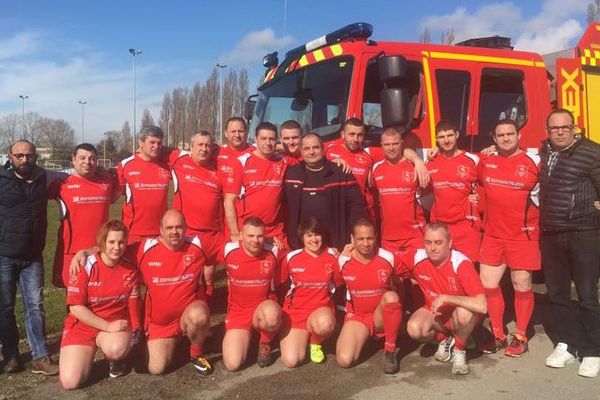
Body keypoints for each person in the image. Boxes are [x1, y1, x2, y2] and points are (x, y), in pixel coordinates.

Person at [72, 210, 212, 375]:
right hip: (160, 324)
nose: (174, 231)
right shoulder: (145, 248)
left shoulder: (198, 244)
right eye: (169, 228)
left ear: (186, 228)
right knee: (156, 368)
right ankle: (178, 340)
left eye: (179, 227)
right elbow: (115, 247)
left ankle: (196, 353)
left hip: (188, 313)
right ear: (160, 230)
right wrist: (86, 252)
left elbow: (232, 248)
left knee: (199, 314)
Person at [539, 109, 600, 378]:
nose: (560, 132)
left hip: (583, 232)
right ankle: (567, 343)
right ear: (547, 131)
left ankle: (592, 350)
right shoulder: (543, 152)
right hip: (551, 233)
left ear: (575, 128)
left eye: (565, 127)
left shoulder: (592, 152)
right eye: (555, 128)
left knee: (587, 295)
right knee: (558, 294)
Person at [477, 119, 540, 357]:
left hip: (522, 236)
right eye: (500, 135)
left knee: (521, 285)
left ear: (518, 136)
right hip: (493, 234)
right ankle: (498, 334)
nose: (505, 138)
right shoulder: (486, 161)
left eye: (510, 134)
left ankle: (521, 335)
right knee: (488, 284)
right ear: (494, 139)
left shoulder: (534, 162)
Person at [0, 140, 59, 375]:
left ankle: (40, 355)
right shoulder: (2, 180)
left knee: (35, 306)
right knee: (5, 307)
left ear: (36, 157)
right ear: (10, 156)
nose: (25, 160)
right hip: (4, 255)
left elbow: (73, 176)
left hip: (33, 256)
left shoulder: (44, 177)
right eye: (20, 155)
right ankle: (12, 356)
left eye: (30, 156)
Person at [59, 220, 139, 389]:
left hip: (115, 321)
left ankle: (115, 360)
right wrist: (107, 326)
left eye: (121, 242)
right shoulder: (84, 264)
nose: (117, 247)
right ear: (102, 242)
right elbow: (75, 308)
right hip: (83, 325)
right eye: (111, 242)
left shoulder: (130, 264)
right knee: (70, 382)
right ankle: (85, 355)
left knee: (116, 349)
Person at [403, 222, 487, 375]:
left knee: (464, 313)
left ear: (449, 243)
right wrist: (352, 251)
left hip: (461, 316)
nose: (433, 248)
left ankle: (460, 350)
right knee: (414, 328)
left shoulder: (461, 264)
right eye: (428, 242)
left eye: (438, 243)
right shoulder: (417, 257)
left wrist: (448, 298)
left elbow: (482, 305)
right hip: (435, 312)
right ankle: (445, 338)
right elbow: (386, 260)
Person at [336, 218, 403, 374]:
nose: (366, 243)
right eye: (360, 239)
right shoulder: (343, 260)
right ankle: (366, 338)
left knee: (391, 297)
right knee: (345, 360)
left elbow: (407, 278)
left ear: (376, 237)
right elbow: (330, 287)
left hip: (380, 317)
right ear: (352, 239)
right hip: (357, 317)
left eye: (370, 238)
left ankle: (390, 350)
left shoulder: (388, 257)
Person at [170, 130, 228, 301]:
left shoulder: (218, 167)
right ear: (191, 147)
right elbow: (156, 149)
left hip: (214, 233)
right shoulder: (179, 160)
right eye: (200, 145)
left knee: (221, 268)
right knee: (189, 275)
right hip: (188, 232)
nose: (204, 149)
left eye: (208, 145)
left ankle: (217, 299)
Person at [278, 217, 342, 367]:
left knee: (324, 324)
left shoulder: (332, 257)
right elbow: (281, 285)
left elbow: (339, 284)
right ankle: (299, 336)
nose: (314, 239)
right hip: (296, 313)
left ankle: (315, 341)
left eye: (317, 234)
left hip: (321, 312)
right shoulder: (291, 258)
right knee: (291, 361)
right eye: (309, 235)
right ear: (302, 237)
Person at [284, 133, 366, 250]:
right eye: (307, 148)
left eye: (315, 147)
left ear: (323, 149)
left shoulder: (340, 172)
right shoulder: (291, 173)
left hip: (335, 244)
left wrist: (355, 235)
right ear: (301, 151)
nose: (311, 152)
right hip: (300, 245)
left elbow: (356, 207)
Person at [50, 143, 115, 288]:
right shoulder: (61, 184)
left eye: (92, 158)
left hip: (101, 250)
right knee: (74, 300)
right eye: (82, 158)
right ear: (73, 160)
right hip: (71, 252)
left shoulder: (107, 181)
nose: (87, 162)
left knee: (101, 298)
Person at [222, 217, 282, 371]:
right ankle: (250, 336)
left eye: (260, 236)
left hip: (263, 310)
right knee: (232, 364)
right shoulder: (228, 250)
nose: (255, 240)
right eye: (250, 236)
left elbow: (303, 257)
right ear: (241, 235)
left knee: (271, 312)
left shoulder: (274, 251)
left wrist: (334, 253)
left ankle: (265, 342)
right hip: (238, 313)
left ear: (265, 236)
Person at [224, 122, 288, 248]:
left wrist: (333, 160)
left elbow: (307, 156)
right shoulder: (242, 162)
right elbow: (229, 201)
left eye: (271, 139)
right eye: (263, 139)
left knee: (279, 265)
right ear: (255, 139)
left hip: (274, 231)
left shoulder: (284, 160)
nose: (268, 143)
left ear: (277, 141)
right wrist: (236, 233)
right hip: (248, 229)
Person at [426, 121, 481, 261]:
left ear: (457, 135)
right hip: (440, 227)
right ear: (437, 140)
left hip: (466, 226)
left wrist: (478, 196)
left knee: (467, 271)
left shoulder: (473, 160)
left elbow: (487, 184)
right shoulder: (431, 162)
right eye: (442, 137)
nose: (446, 140)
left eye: (449, 135)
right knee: (443, 270)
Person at [369, 127, 426, 252]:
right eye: (387, 144)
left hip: (415, 235)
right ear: (381, 145)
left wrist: (418, 161)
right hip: (389, 237)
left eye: (395, 144)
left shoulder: (415, 166)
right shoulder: (375, 169)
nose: (391, 148)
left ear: (401, 143)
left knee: (420, 271)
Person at [116, 125, 171, 244]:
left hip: (161, 233)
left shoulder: (167, 166)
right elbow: (113, 197)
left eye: (159, 143)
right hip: (133, 233)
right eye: (152, 142)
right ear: (140, 142)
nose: (156, 146)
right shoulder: (125, 165)